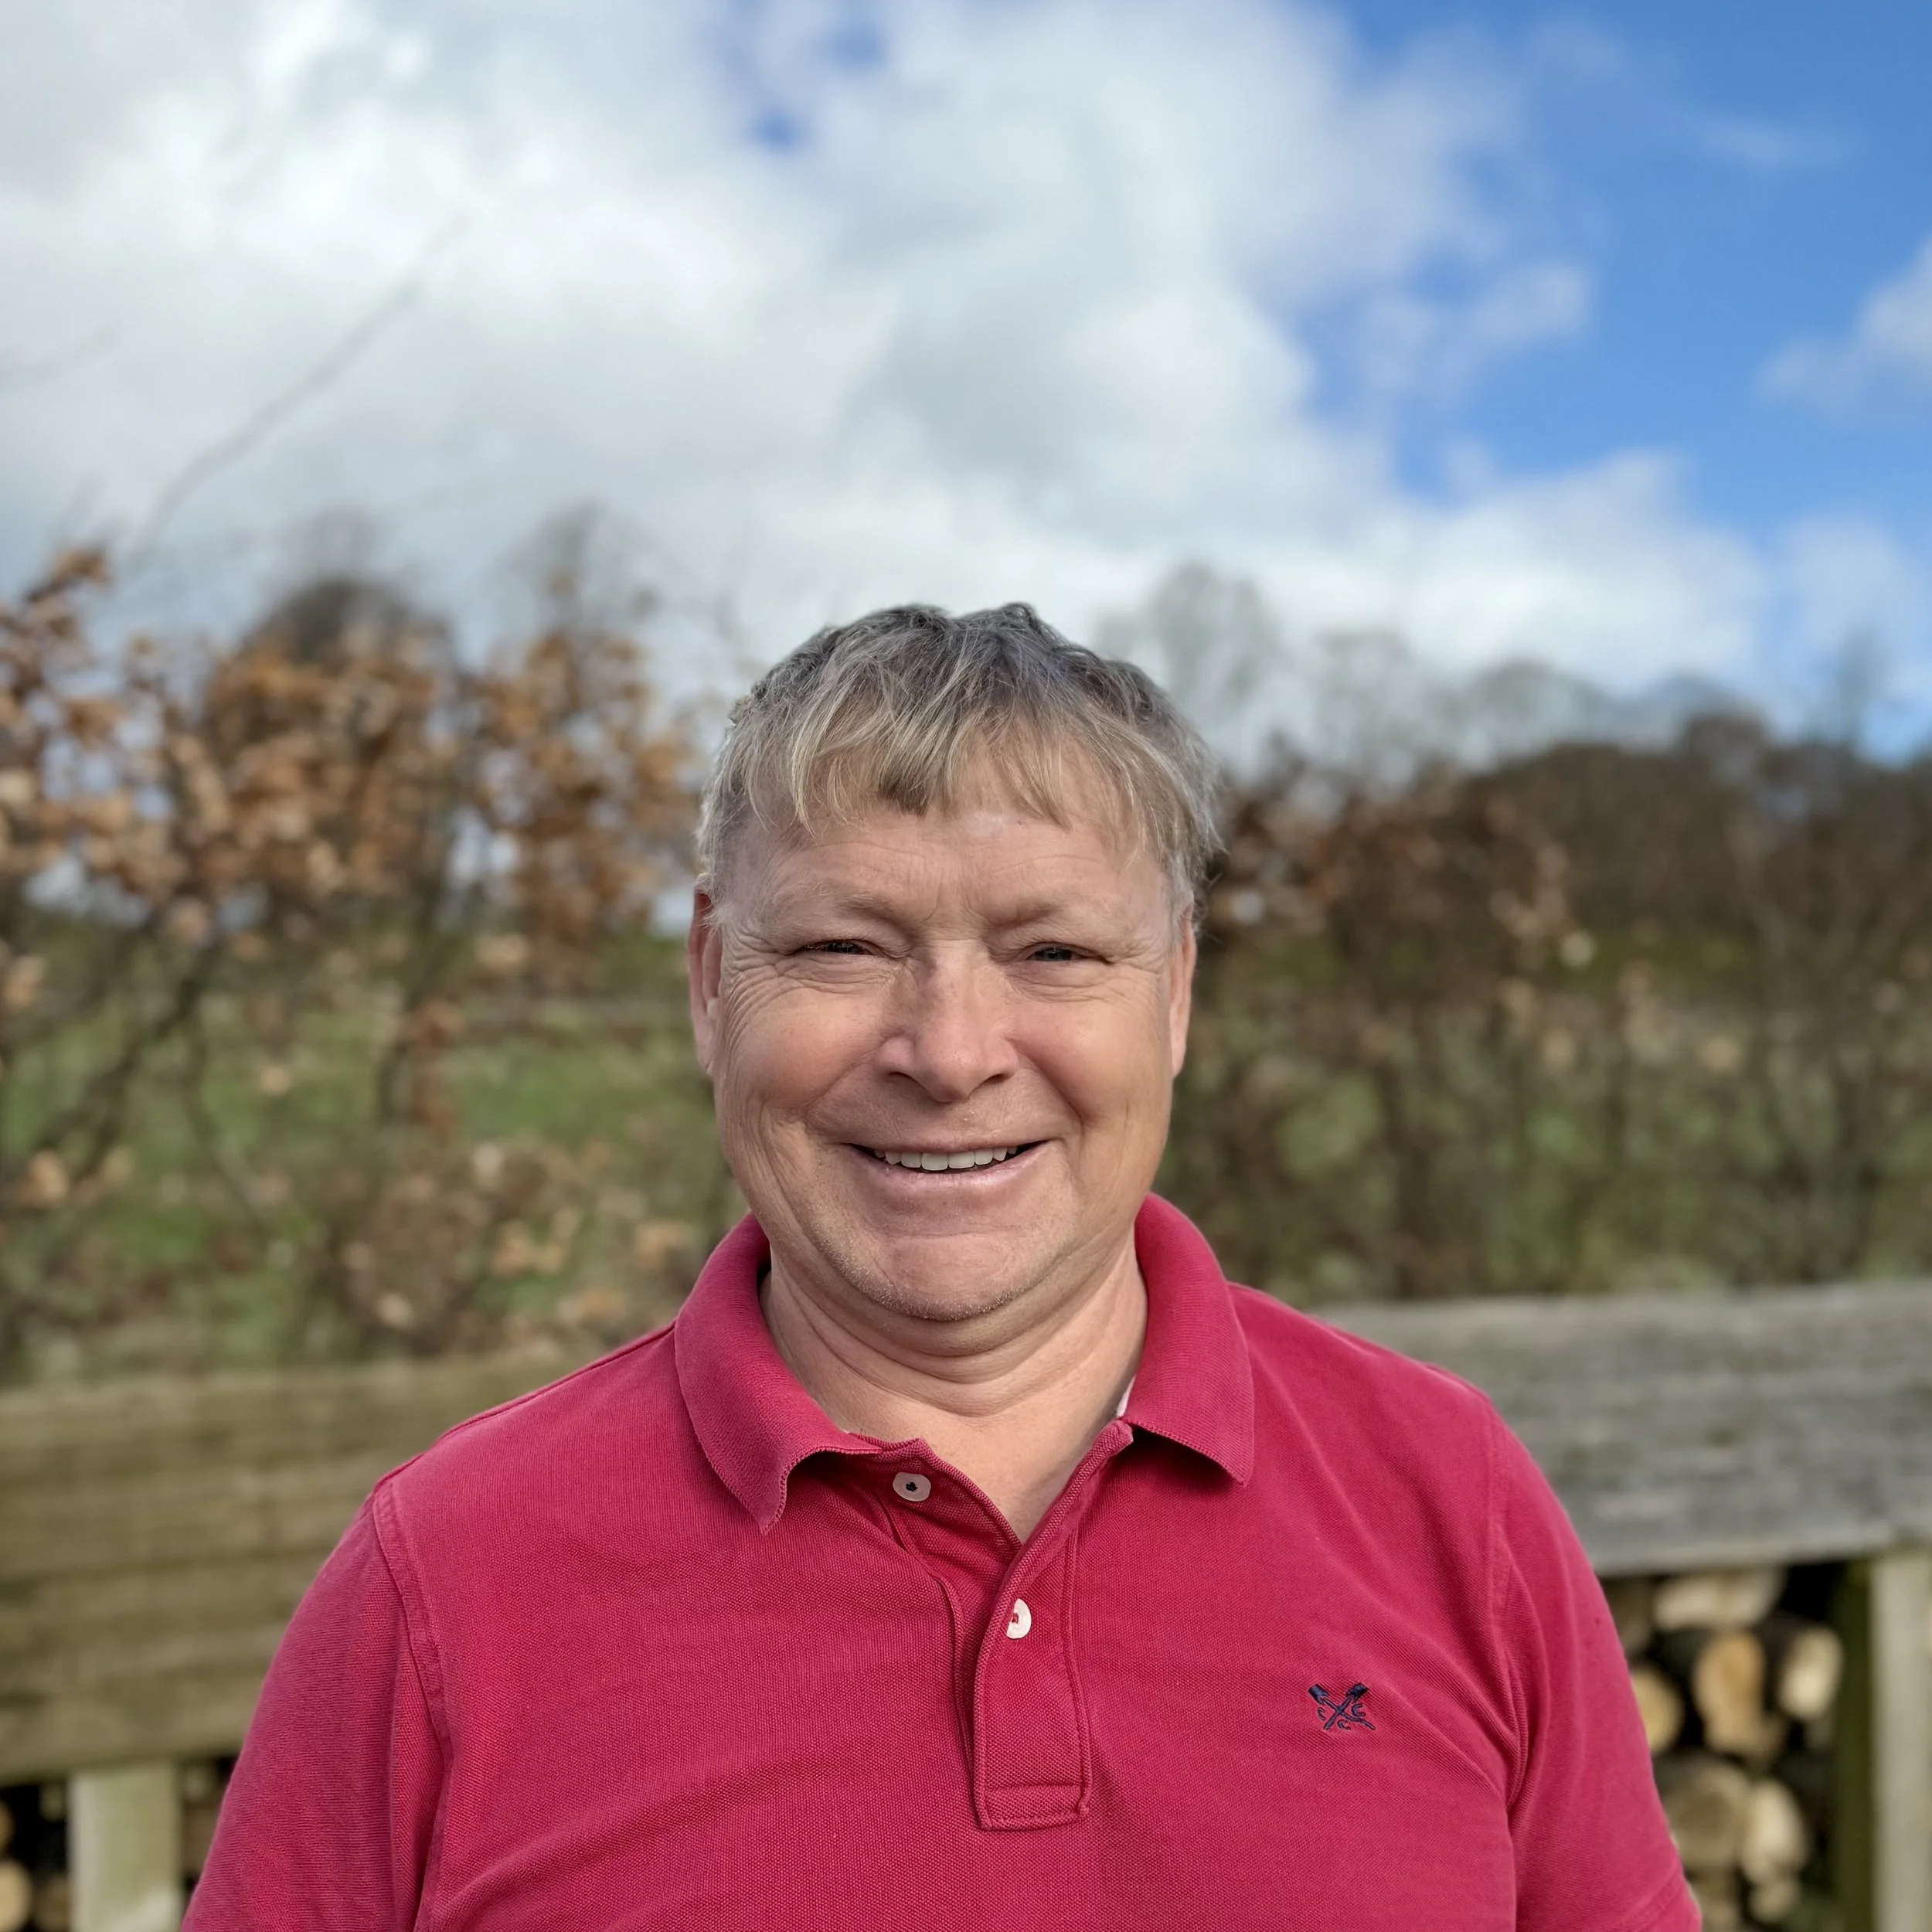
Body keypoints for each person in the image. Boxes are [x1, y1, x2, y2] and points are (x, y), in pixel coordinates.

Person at [186, 604, 1695, 1930]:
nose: (951, 1052)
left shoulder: (1448, 1500)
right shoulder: (445, 1582)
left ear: (1171, 992)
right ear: (712, 979)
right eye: (843, 946)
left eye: (1050, 953)